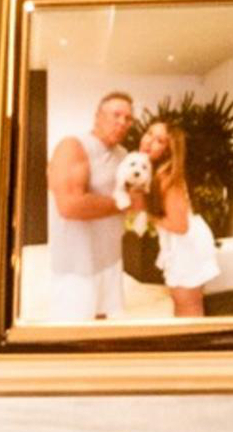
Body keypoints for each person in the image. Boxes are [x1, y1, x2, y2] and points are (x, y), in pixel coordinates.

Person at [42, 89, 144, 323]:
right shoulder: (72, 147)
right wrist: (123, 204)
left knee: (105, 326)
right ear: (98, 116)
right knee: (74, 331)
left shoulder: (123, 154)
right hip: (77, 264)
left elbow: (133, 194)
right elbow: (69, 206)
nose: (122, 122)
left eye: (128, 118)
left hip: (110, 259)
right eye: (116, 115)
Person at [143, 116, 219, 318]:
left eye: (159, 140)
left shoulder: (166, 177)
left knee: (188, 308)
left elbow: (179, 226)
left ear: (168, 150)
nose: (149, 141)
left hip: (187, 245)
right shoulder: (154, 172)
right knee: (186, 306)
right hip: (183, 242)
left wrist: (148, 216)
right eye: (149, 133)